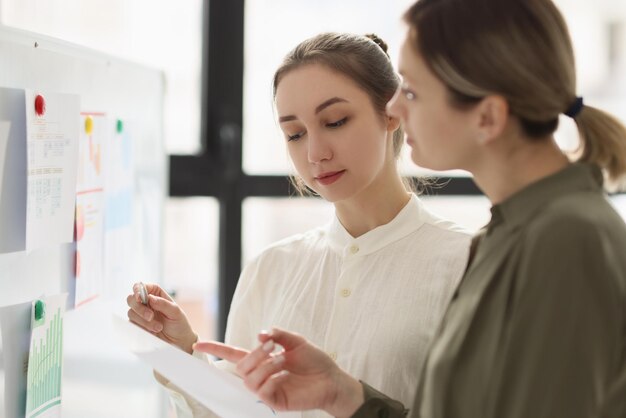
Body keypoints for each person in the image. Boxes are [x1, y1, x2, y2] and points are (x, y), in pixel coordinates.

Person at [196, 0, 626, 417]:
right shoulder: (511, 237)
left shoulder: (566, 239)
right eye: (293, 132)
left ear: (487, 117)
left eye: (413, 92)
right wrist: (343, 394)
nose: (397, 108)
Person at [126, 32, 471, 418]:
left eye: (335, 121)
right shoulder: (270, 269)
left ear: (391, 111)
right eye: (295, 133)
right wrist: (183, 354)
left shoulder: (466, 264)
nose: (315, 153)